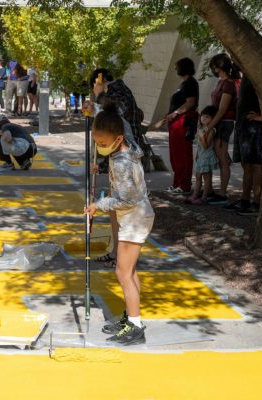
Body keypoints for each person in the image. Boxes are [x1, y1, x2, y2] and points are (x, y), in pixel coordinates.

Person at [85, 101, 154, 345]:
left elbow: (126, 199)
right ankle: (131, 316)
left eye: (103, 144)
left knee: (122, 272)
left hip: (134, 218)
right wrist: (92, 111)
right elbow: (110, 120)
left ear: (118, 138)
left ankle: (136, 326)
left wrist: (98, 205)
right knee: (130, 271)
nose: (100, 147)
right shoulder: (127, 149)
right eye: (97, 143)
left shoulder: (122, 163)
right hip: (136, 215)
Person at [204, 53, 241, 205]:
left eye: (213, 66)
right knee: (220, 157)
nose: (212, 69)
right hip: (218, 123)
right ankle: (219, 191)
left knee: (223, 159)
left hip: (224, 123)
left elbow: (222, 109)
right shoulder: (222, 82)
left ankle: (223, 193)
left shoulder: (229, 84)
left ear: (218, 67)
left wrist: (209, 127)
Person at [224, 76, 262, 215]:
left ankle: (257, 203)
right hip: (243, 125)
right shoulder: (247, 75)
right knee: (246, 165)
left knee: (256, 165)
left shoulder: (260, 73)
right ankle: (245, 200)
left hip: (255, 127)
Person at [165, 57, 200, 195]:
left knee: (182, 154)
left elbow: (190, 102)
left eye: (177, 66)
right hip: (175, 122)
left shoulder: (191, 83)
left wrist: (175, 113)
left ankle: (184, 185)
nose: (175, 69)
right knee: (175, 155)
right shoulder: (184, 84)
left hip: (183, 121)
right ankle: (177, 183)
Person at [185, 106, 219, 205]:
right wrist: (197, 154)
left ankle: (204, 197)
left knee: (207, 178)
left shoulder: (211, 130)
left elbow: (205, 146)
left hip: (207, 157)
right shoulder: (201, 128)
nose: (204, 118)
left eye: (207, 117)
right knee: (198, 176)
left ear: (213, 119)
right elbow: (199, 147)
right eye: (203, 116)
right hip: (201, 156)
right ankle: (195, 195)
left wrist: (202, 137)